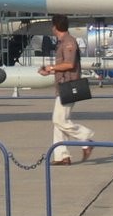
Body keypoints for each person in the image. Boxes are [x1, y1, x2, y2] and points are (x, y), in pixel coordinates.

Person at [39, 14, 94, 165]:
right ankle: (62, 156)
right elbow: (63, 66)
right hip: (63, 86)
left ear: (55, 27)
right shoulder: (62, 42)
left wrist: (51, 67)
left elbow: (69, 65)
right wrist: (50, 71)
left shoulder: (69, 42)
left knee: (58, 120)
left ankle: (86, 138)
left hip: (69, 86)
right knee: (59, 123)